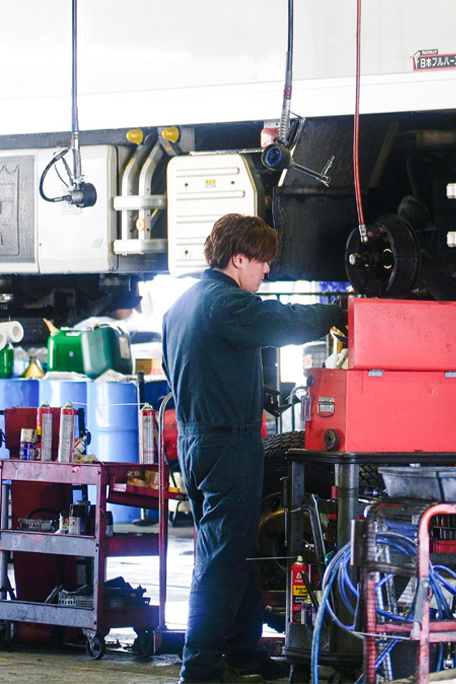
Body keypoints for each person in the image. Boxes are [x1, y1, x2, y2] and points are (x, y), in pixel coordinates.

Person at [164, 214, 344, 684]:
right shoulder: (227, 303)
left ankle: (242, 653)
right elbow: (281, 320)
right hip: (229, 444)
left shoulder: (180, 306)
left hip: (195, 442)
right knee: (222, 559)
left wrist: (253, 393)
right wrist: (340, 312)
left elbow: (199, 370)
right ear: (238, 258)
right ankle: (198, 667)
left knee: (234, 550)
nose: (266, 270)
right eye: (261, 261)